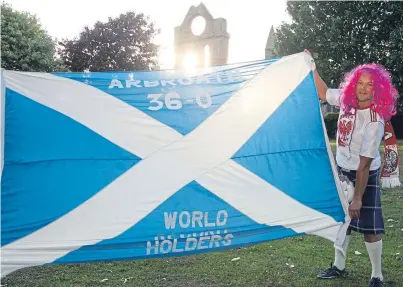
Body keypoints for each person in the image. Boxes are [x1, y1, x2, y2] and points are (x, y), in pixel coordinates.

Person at [304, 50, 399, 287]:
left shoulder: (375, 120)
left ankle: (376, 276)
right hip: (342, 169)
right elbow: (323, 92)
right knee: (341, 221)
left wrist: (357, 197)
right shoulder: (347, 100)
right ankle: (339, 266)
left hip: (364, 172)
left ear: (378, 90)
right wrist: (311, 65)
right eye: (360, 83)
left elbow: (365, 164)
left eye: (369, 85)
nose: (364, 88)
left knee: (370, 225)